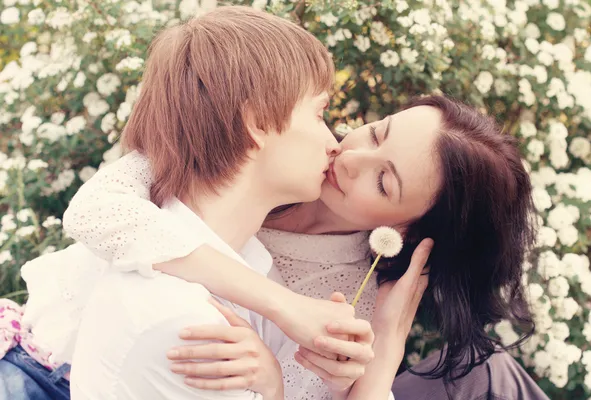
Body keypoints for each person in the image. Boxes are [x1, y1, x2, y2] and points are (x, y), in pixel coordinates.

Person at [56, 96, 549, 400]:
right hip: (50, 353)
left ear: (408, 231)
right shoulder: (282, 137)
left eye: (383, 182)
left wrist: (276, 383)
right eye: (377, 132)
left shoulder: (344, 300)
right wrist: (283, 305)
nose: (350, 155)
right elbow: (96, 213)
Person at [7, 6, 382, 400]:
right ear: (257, 123)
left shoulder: (253, 261)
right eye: (320, 112)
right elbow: (92, 212)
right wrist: (273, 385)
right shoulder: (186, 320)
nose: (335, 143)